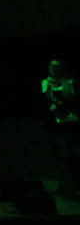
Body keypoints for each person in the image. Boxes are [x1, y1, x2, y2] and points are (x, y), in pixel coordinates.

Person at [43, 59, 79, 196]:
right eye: (52, 67)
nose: (54, 70)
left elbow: (71, 98)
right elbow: (48, 101)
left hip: (71, 121)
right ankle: (66, 185)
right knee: (61, 154)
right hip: (56, 123)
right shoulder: (46, 83)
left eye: (57, 67)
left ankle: (74, 185)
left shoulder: (69, 82)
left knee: (73, 154)